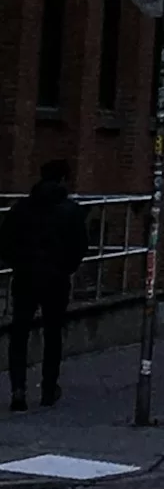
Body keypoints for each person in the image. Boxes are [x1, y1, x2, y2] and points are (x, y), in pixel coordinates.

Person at [2, 161, 90, 411]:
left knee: (19, 333)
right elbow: (80, 245)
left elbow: (4, 240)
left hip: (26, 276)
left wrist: (18, 263)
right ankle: (48, 388)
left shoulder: (22, 208)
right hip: (56, 278)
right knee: (53, 334)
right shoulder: (71, 210)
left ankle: (18, 389)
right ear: (63, 179)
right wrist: (66, 266)